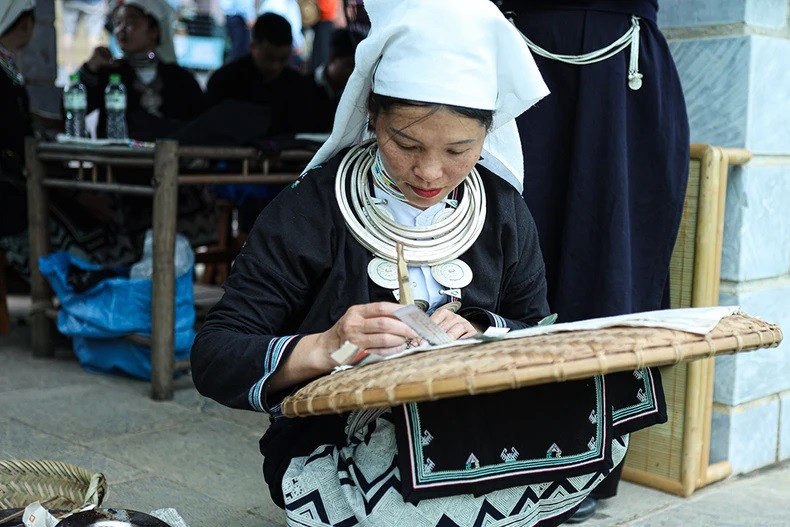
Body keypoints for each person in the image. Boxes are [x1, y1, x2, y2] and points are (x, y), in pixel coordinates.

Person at [190, 1, 667, 525]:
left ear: (488, 134)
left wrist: (483, 328)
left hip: (478, 435)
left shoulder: (503, 211)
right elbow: (216, 355)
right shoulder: (311, 210)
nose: (430, 172)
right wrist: (324, 347)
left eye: (460, 150)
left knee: (605, 411)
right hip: (340, 444)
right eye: (405, 143)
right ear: (372, 117)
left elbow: (536, 327)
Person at [496, 0, 690, 522]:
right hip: (520, 48)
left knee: (613, 257)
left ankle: (589, 463)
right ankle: (490, 450)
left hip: (620, 59)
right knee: (505, 243)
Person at [78, 0, 206, 141]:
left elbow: (201, 124)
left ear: (154, 31)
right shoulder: (111, 74)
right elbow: (70, 112)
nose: (121, 29)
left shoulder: (179, 78)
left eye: (131, 22)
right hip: (117, 160)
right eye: (117, 23)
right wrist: (90, 68)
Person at [302, 26, 363, 133]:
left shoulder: (357, 94)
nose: (353, 73)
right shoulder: (301, 87)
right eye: (349, 65)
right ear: (333, 57)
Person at [60, 0, 107, 75]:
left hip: (70, 2)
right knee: (94, 35)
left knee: (68, 33)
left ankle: (68, 69)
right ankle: (93, 68)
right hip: (94, 3)